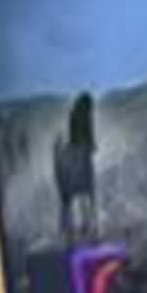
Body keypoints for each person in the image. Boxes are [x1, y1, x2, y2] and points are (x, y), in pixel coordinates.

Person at [53, 88, 98, 248]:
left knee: (69, 198)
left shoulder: (74, 114)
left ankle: (69, 227)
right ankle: (88, 225)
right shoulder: (84, 115)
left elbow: (78, 135)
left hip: (74, 155)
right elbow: (88, 135)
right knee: (88, 192)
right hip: (81, 156)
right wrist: (91, 146)